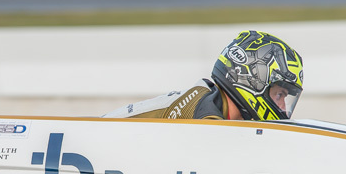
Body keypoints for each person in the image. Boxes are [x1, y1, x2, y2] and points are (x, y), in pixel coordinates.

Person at [103, 30, 304, 121]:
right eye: (279, 95)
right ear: (252, 79)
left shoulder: (210, 99)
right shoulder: (206, 115)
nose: (283, 108)